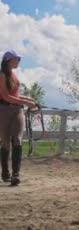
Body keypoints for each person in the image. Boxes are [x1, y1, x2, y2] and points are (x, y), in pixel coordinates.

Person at [0, 50, 37, 186]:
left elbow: (15, 96)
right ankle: (5, 173)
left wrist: (28, 99)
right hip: (3, 110)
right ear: (9, 60)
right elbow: (5, 96)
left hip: (17, 111)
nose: (18, 62)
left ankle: (16, 174)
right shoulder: (2, 75)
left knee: (17, 139)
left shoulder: (14, 76)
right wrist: (26, 102)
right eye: (17, 59)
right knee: (5, 141)